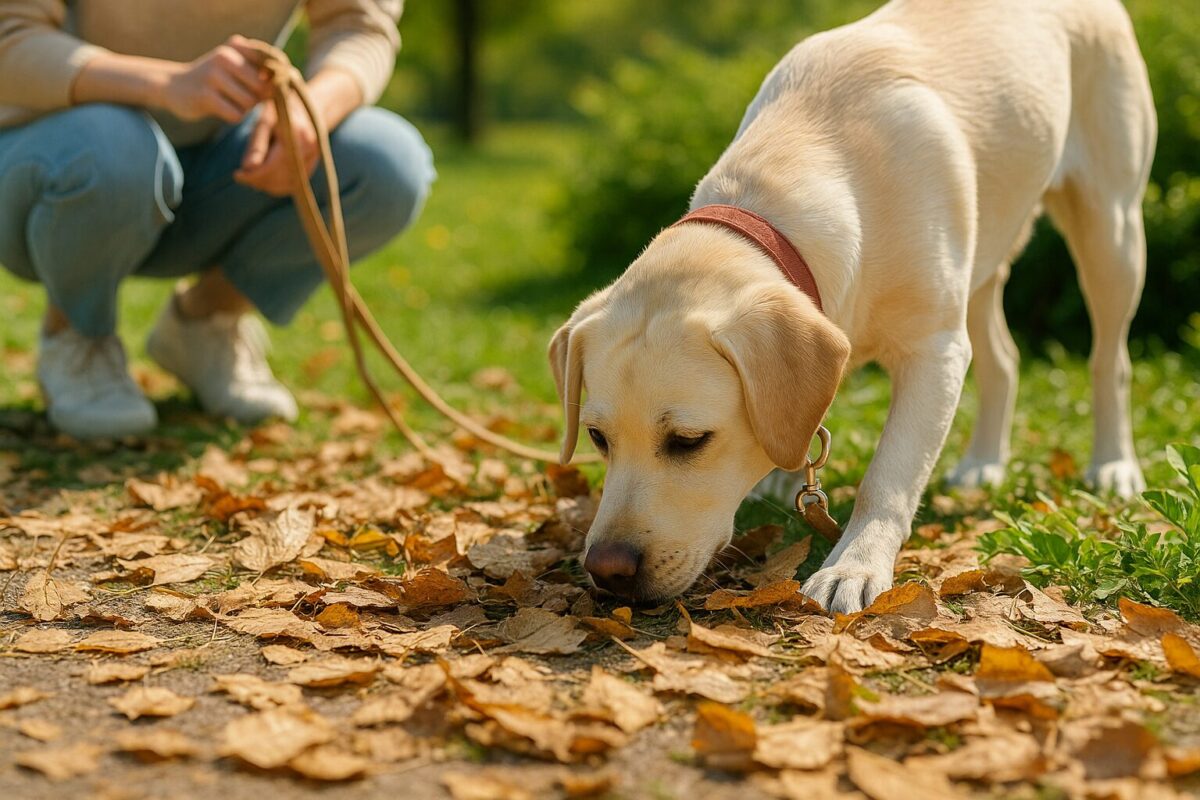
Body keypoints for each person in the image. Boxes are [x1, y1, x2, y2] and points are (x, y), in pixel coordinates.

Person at [0, 1, 435, 439]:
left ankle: (205, 323)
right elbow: (9, 36)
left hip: (218, 154)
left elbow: (359, 24)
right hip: (52, 157)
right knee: (113, 146)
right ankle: (77, 333)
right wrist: (165, 83)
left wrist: (311, 113)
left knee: (386, 164)